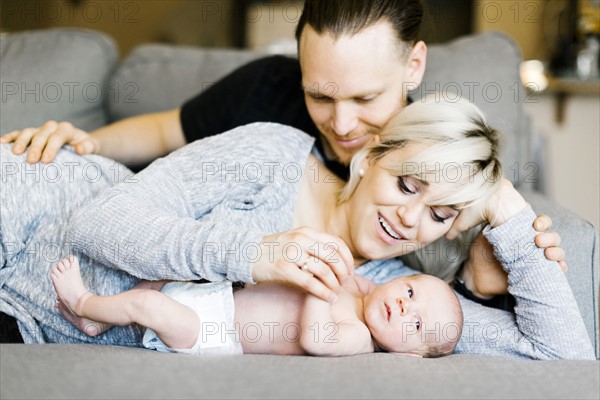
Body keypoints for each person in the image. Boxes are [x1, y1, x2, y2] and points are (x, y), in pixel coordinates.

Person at [0, 0, 566, 303]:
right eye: (320, 95)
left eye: (367, 97)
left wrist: (488, 267)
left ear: (413, 66)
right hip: (120, 212)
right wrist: (86, 139)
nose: (342, 125)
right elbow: (167, 131)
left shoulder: (439, 167)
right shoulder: (271, 110)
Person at [0, 97, 593, 359]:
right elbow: (96, 222)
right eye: (406, 185)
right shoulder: (274, 155)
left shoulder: (390, 298)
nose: (410, 219)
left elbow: (564, 361)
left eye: (442, 213)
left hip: (28, 317)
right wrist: (254, 253)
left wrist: (501, 203)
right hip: (27, 206)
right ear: (367, 160)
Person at [50, 255, 464, 357]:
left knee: (148, 305)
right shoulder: (362, 286)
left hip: (213, 333)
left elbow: (316, 340)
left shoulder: (359, 336)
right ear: (399, 279)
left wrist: (322, 289)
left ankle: (84, 302)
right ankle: (98, 324)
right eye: (410, 293)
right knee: (163, 275)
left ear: (410, 353)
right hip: (218, 296)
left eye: (415, 326)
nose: (404, 309)